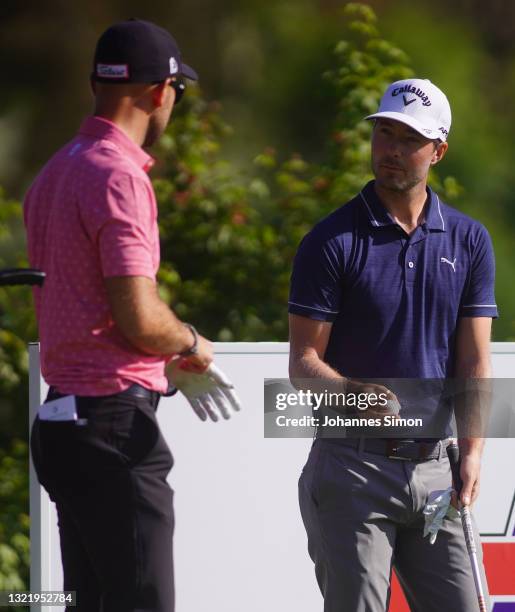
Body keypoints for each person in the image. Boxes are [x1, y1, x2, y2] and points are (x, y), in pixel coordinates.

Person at [25, 18, 238, 612]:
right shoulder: (119, 176)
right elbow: (140, 320)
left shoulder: (54, 172)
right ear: (158, 91)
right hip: (114, 428)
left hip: (63, 424)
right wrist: (192, 340)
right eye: (178, 91)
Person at [289, 78, 497, 611]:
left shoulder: (470, 241)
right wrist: (357, 394)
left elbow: (473, 360)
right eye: (384, 133)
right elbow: (303, 364)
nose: (392, 150)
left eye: (409, 138)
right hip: (352, 467)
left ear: (439, 151)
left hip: (436, 470)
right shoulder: (331, 241)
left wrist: (472, 451)